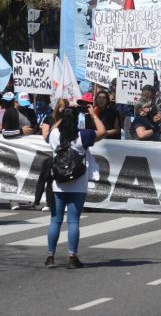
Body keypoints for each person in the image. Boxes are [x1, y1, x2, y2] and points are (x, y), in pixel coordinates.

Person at [44, 105, 106, 269]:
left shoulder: (55, 134)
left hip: (59, 182)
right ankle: (72, 256)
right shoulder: (83, 135)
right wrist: (93, 115)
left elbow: (50, 132)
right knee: (73, 221)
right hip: (78, 183)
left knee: (55, 221)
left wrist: (60, 118)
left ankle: (50, 256)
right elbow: (102, 131)